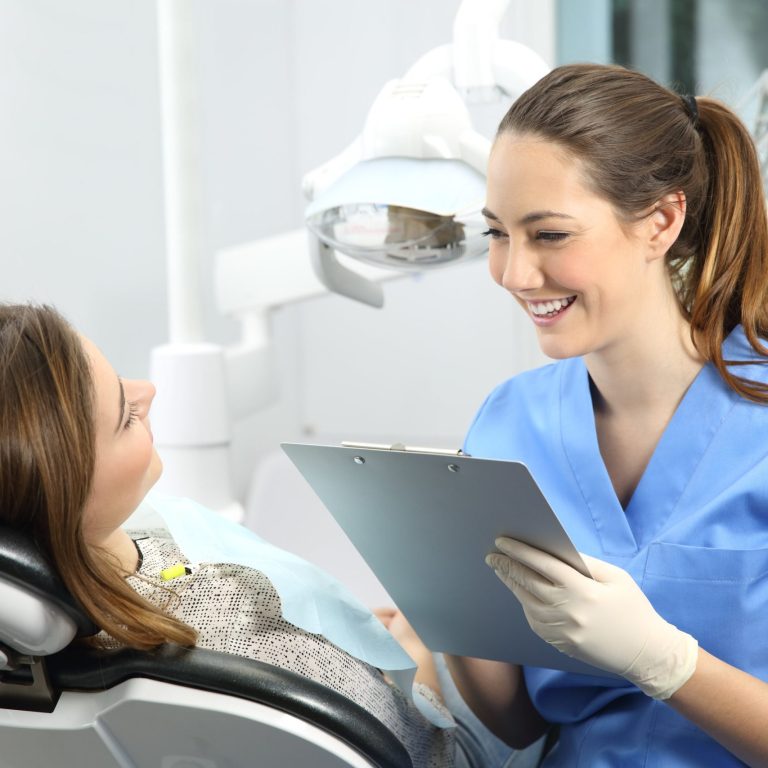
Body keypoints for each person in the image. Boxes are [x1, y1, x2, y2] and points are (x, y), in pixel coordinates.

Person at [438, 62, 768, 766]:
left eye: (550, 235)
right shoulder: (509, 422)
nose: (516, 274)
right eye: (498, 233)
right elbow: (520, 725)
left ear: (661, 221)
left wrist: (668, 664)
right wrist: (449, 605)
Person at [0, 303, 455, 768]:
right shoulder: (246, 627)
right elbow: (424, 748)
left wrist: (335, 651)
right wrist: (416, 648)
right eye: (125, 415)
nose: (148, 391)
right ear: (68, 490)